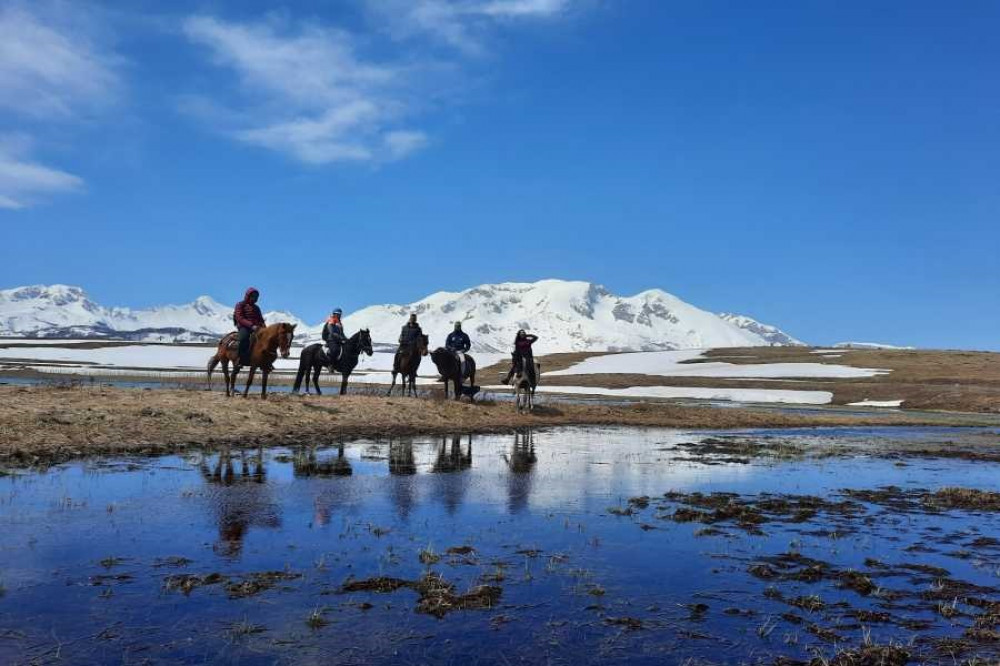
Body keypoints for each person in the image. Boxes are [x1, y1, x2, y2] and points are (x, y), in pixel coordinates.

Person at [233, 287, 266, 365]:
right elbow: (239, 318)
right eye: (253, 296)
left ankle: (265, 361)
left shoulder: (256, 308)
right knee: (244, 338)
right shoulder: (240, 305)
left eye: (256, 297)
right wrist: (251, 326)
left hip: (257, 328)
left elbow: (261, 319)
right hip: (244, 327)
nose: (255, 298)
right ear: (248, 296)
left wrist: (265, 329)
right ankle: (240, 359)